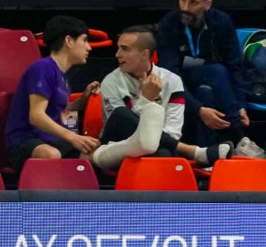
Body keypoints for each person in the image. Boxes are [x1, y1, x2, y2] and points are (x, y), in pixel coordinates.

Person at [91, 25, 230, 171]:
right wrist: (146, 99)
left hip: (159, 146)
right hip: (117, 144)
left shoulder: (172, 81)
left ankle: (191, 156)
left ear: (144, 54)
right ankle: (192, 151)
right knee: (121, 114)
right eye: (118, 48)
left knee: (163, 155)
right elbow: (120, 125)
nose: (117, 54)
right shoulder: (111, 82)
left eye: (125, 49)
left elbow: (173, 131)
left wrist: (154, 138)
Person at [157, 0, 250, 146]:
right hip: (179, 75)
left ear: (207, 5)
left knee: (205, 91)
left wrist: (241, 104)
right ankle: (239, 136)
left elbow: (235, 65)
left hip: (203, 72)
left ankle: (209, 154)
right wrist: (198, 109)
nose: (185, 7)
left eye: (193, 2)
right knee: (217, 70)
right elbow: (170, 72)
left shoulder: (221, 21)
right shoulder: (168, 24)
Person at [5, 15, 101, 169]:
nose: (89, 47)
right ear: (69, 41)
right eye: (84, 40)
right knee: (51, 154)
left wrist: (84, 99)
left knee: (96, 155)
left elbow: (61, 110)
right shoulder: (42, 68)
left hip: (51, 140)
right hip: (24, 141)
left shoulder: (62, 76)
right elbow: (36, 116)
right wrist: (73, 137)